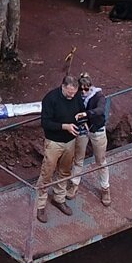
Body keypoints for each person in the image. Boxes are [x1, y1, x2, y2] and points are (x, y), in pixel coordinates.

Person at [35, 73, 86, 222]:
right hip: (54, 142)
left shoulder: (76, 96)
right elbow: (45, 123)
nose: (71, 96)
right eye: (69, 93)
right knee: (47, 173)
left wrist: (83, 119)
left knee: (65, 171)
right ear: (63, 87)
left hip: (70, 141)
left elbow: (81, 110)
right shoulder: (50, 99)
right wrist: (65, 126)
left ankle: (59, 198)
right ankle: (40, 205)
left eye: (74, 93)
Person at [72, 71, 112, 206]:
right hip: (82, 129)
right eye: (81, 89)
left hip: (97, 129)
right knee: (78, 159)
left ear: (91, 87)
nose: (83, 92)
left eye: (86, 89)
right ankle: (74, 184)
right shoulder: (77, 96)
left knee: (101, 160)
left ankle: (105, 188)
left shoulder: (99, 96)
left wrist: (87, 114)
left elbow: (100, 110)